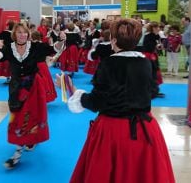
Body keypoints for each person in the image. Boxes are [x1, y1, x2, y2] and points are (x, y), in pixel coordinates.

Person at [60, 19, 175, 183]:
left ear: (114, 40)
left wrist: (74, 93)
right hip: (145, 130)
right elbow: (152, 92)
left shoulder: (108, 63)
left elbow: (97, 102)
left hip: (113, 131)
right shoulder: (147, 62)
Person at [0, 23, 65, 169]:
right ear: (14, 35)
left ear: (28, 34)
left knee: (32, 116)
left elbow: (53, 49)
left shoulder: (35, 47)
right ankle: (25, 141)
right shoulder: (9, 48)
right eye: (19, 33)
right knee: (17, 117)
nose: (22, 35)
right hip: (16, 89)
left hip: (34, 88)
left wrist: (61, 39)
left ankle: (17, 154)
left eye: (24, 32)